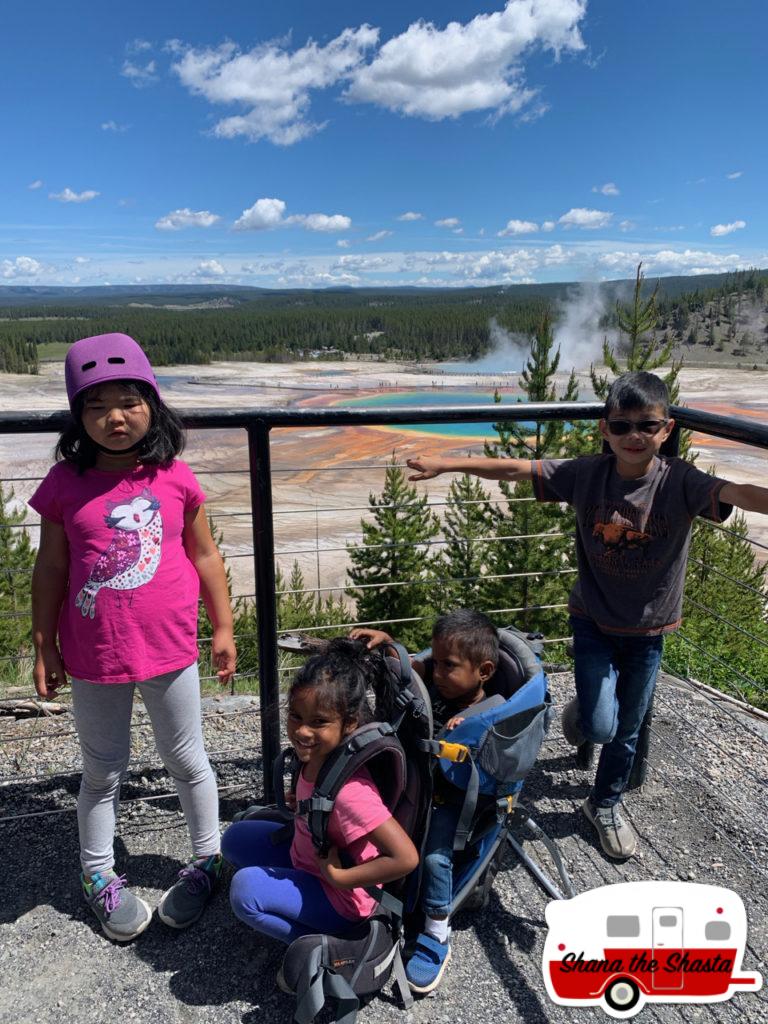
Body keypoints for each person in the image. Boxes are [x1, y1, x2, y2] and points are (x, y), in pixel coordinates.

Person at [406, 371, 768, 861]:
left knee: (627, 728)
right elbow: (515, 468)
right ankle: (588, 716)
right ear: (604, 429)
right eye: (621, 426)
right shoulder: (587, 474)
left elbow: (741, 493)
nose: (634, 436)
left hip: (649, 629)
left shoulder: (680, 480)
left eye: (647, 425)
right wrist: (447, 464)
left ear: (667, 429)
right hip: (593, 620)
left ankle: (605, 803)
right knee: (600, 726)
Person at [29, 332, 236, 943]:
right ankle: (98, 874)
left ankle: (208, 858)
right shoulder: (65, 484)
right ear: (77, 415)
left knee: (188, 760)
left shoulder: (174, 476)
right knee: (101, 770)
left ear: (152, 404)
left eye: (128, 400)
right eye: (95, 405)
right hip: (94, 655)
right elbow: (51, 569)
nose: (114, 417)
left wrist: (222, 627)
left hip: (171, 648)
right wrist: (45, 644)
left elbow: (204, 556)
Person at [222, 639, 419, 949]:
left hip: (340, 895)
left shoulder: (352, 793)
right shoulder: (315, 757)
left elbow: (405, 857)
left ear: (350, 724)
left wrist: (339, 877)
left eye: (319, 722)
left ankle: (329, 947)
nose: (302, 731)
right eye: (296, 717)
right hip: (307, 856)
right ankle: (295, 894)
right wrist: (302, 806)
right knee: (233, 840)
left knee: (245, 892)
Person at [351, 609, 498, 994]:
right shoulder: (441, 682)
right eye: (436, 663)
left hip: (456, 799)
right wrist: (390, 643)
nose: (436, 674)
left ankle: (437, 930)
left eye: (448, 666)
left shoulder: (488, 710)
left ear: (483, 671)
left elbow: (493, 724)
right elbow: (413, 667)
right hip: (421, 785)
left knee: (434, 856)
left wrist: (469, 726)